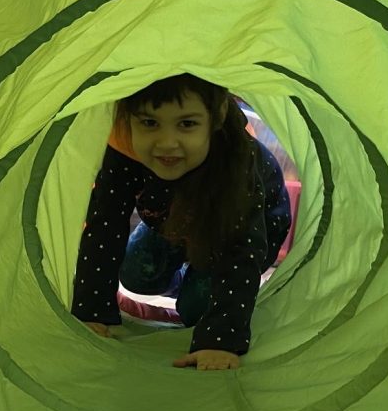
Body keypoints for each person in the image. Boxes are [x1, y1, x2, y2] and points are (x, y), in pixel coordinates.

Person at [71, 74, 292, 371]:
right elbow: (104, 224)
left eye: (187, 124)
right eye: (149, 122)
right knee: (136, 273)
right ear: (127, 117)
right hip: (172, 223)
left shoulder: (237, 157)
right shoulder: (124, 148)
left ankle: (199, 280)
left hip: (237, 230)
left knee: (197, 309)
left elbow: (242, 247)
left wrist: (220, 341)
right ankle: (187, 277)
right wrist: (91, 312)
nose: (167, 143)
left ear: (216, 116)